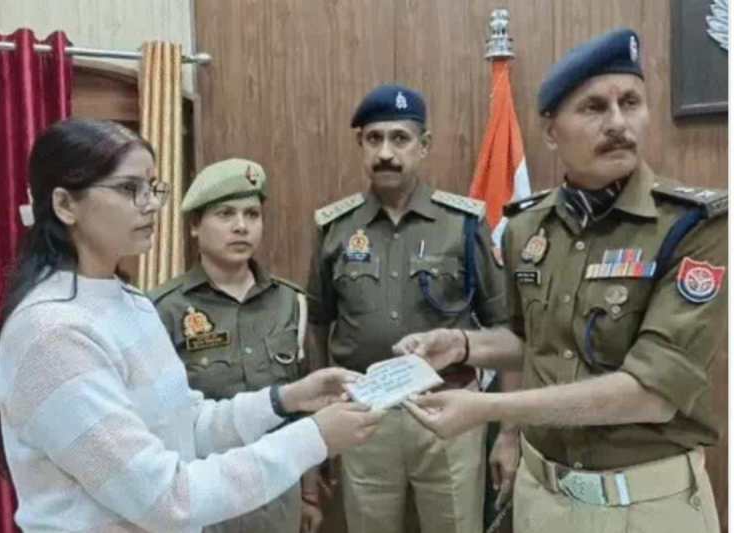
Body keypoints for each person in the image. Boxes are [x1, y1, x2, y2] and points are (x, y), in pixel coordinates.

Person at [0, 118, 384, 532]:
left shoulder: (129, 301)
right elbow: (166, 498)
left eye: (152, 187)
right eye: (129, 188)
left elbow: (186, 425)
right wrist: (313, 437)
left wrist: (287, 399)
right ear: (66, 205)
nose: (150, 204)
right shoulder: (53, 332)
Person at [395, 28, 727, 533]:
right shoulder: (527, 226)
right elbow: (530, 340)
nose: (618, 123)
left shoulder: (693, 226)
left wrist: (488, 408)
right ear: (551, 132)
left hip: (647, 506)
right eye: (593, 107)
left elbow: (650, 392)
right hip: (542, 499)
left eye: (630, 102)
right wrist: (461, 345)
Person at [306, 83, 513, 533]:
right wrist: (320, 418)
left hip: (448, 410)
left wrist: (509, 429)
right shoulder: (335, 229)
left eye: (399, 138)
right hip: (364, 417)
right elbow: (318, 324)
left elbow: (506, 329)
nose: (386, 152)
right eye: (374, 139)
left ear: (424, 145)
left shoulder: (462, 224)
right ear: (360, 145)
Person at [150, 158, 325, 533]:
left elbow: (307, 403)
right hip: (204, 496)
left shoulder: (290, 302)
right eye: (225, 214)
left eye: (252, 214)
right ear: (195, 225)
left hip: (279, 492)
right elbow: (158, 420)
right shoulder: (163, 310)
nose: (241, 226)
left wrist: (309, 493)